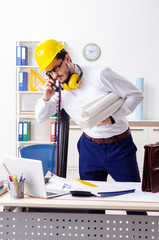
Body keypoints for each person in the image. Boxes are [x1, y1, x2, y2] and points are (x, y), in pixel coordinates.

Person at [35, 39, 143, 187]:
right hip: (89, 148)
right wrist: (46, 97)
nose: (54, 76)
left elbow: (135, 95)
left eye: (56, 68)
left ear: (67, 58)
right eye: (49, 72)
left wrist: (113, 118)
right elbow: (40, 117)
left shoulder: (100, 75)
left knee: (134, 201)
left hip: (119, 146)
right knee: (90, 203)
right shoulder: (57, 89)